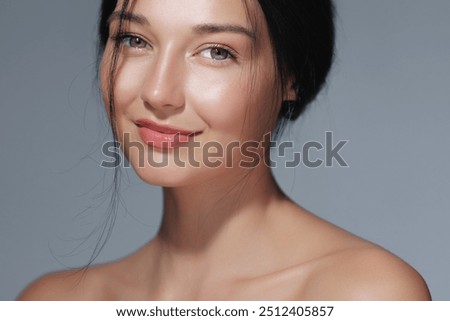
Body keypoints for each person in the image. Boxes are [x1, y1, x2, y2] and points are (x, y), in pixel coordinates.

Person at [18, 0, 431, 300]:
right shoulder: (53, 304)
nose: (159, 92)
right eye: (135, 39)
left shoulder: (366, 296)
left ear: (292, 76)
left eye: (217, 52)